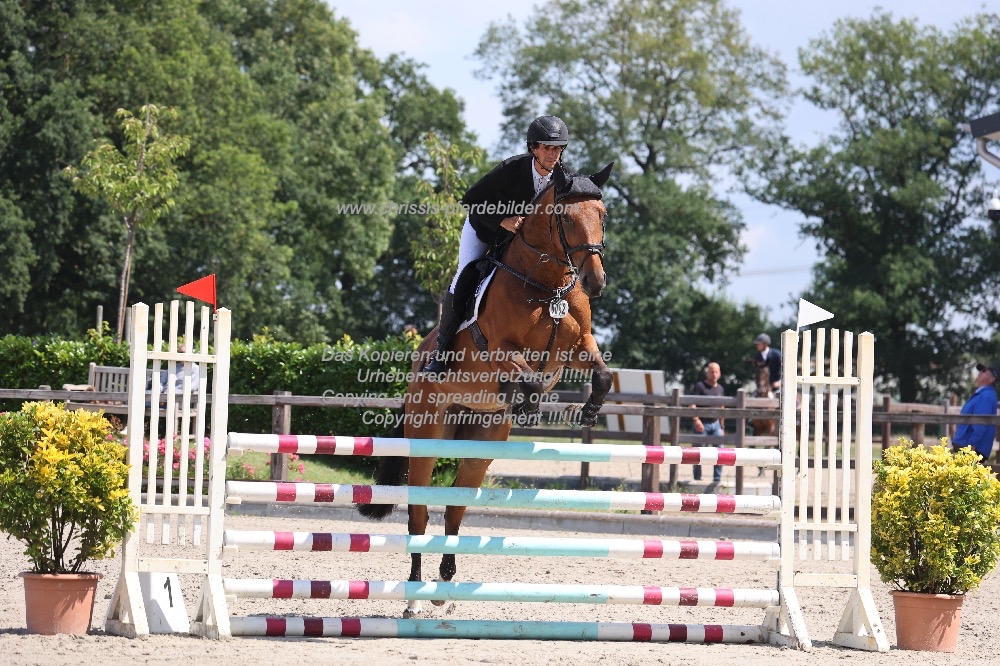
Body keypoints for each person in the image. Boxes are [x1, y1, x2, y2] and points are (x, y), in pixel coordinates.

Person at [421, 115, 571, 376]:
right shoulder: (512, 169)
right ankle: (440, 356)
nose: (553, 154)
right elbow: (470, 200)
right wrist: (503, 219)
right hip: (484, 231)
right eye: (547, 147)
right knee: (463, 278)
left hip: (523, 246)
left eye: (557, 148)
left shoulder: (563, 178)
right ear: (533, 148)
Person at [952, 363, 999, 465]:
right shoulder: (982, 393)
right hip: (970, 448)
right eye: (980, 370)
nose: (980, 373)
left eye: (984, 371)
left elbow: (980, 423)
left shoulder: (986, 395)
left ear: (992, 379)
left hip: (972, 449)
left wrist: (971, 446)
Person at [691, 362, 725, 493]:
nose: (714, 374)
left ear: (720, 373)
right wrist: (696, 419)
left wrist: (722, 425)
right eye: (712, 371)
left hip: (716, 423)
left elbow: (723, 407)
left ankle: (717, 479)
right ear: (707, 372)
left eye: (716, 371)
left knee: (720, 451)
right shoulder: (700, 386)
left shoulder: (720, 389)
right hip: (702, 423)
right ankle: (697, 478)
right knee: (699, 452)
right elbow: (691, 403)